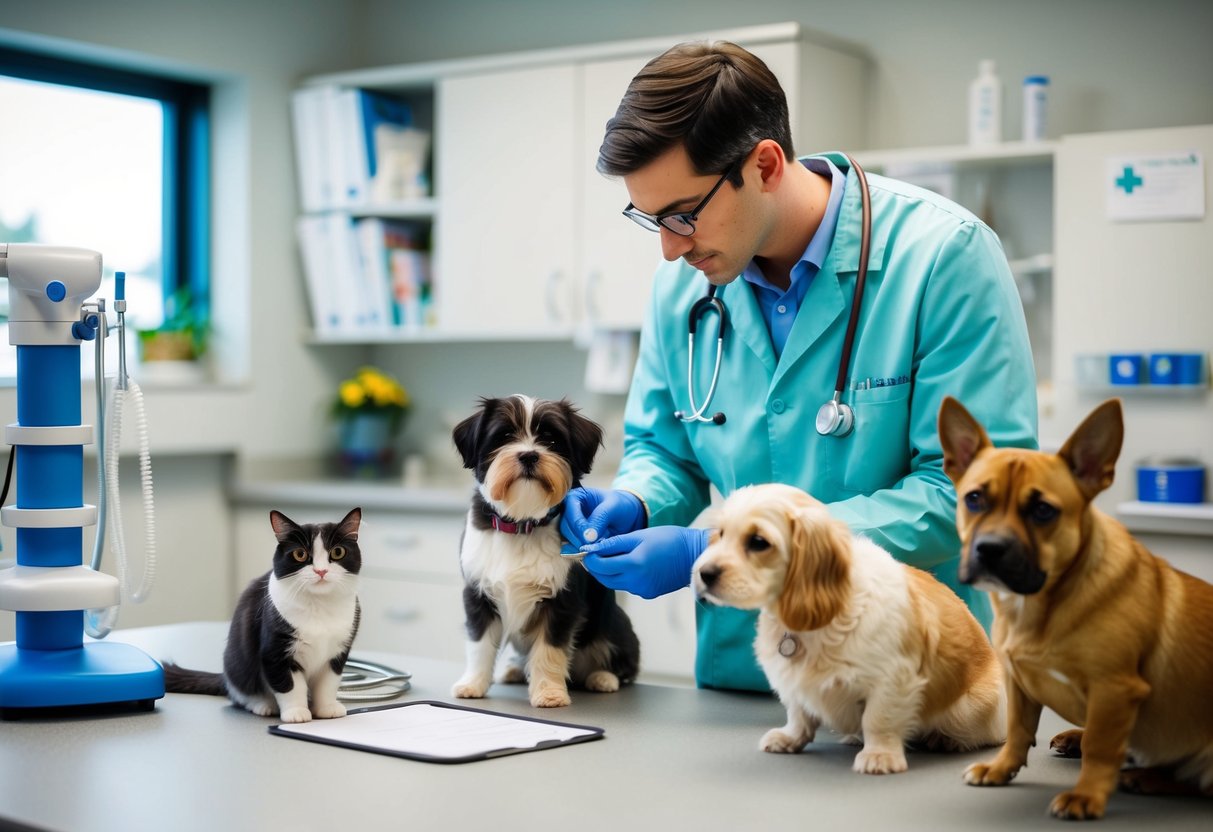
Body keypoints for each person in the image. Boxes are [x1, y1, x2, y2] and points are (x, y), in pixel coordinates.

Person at [561, 40, 1038, 691]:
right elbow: (665, 449)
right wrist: (637, 501)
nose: (671, 249)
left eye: (682, 215)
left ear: (762, 164)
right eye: (652, 222)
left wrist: (717, 550)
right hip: (749, 670)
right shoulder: (683, 289)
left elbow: (970, 498)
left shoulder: (943, 259)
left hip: (909, 679)